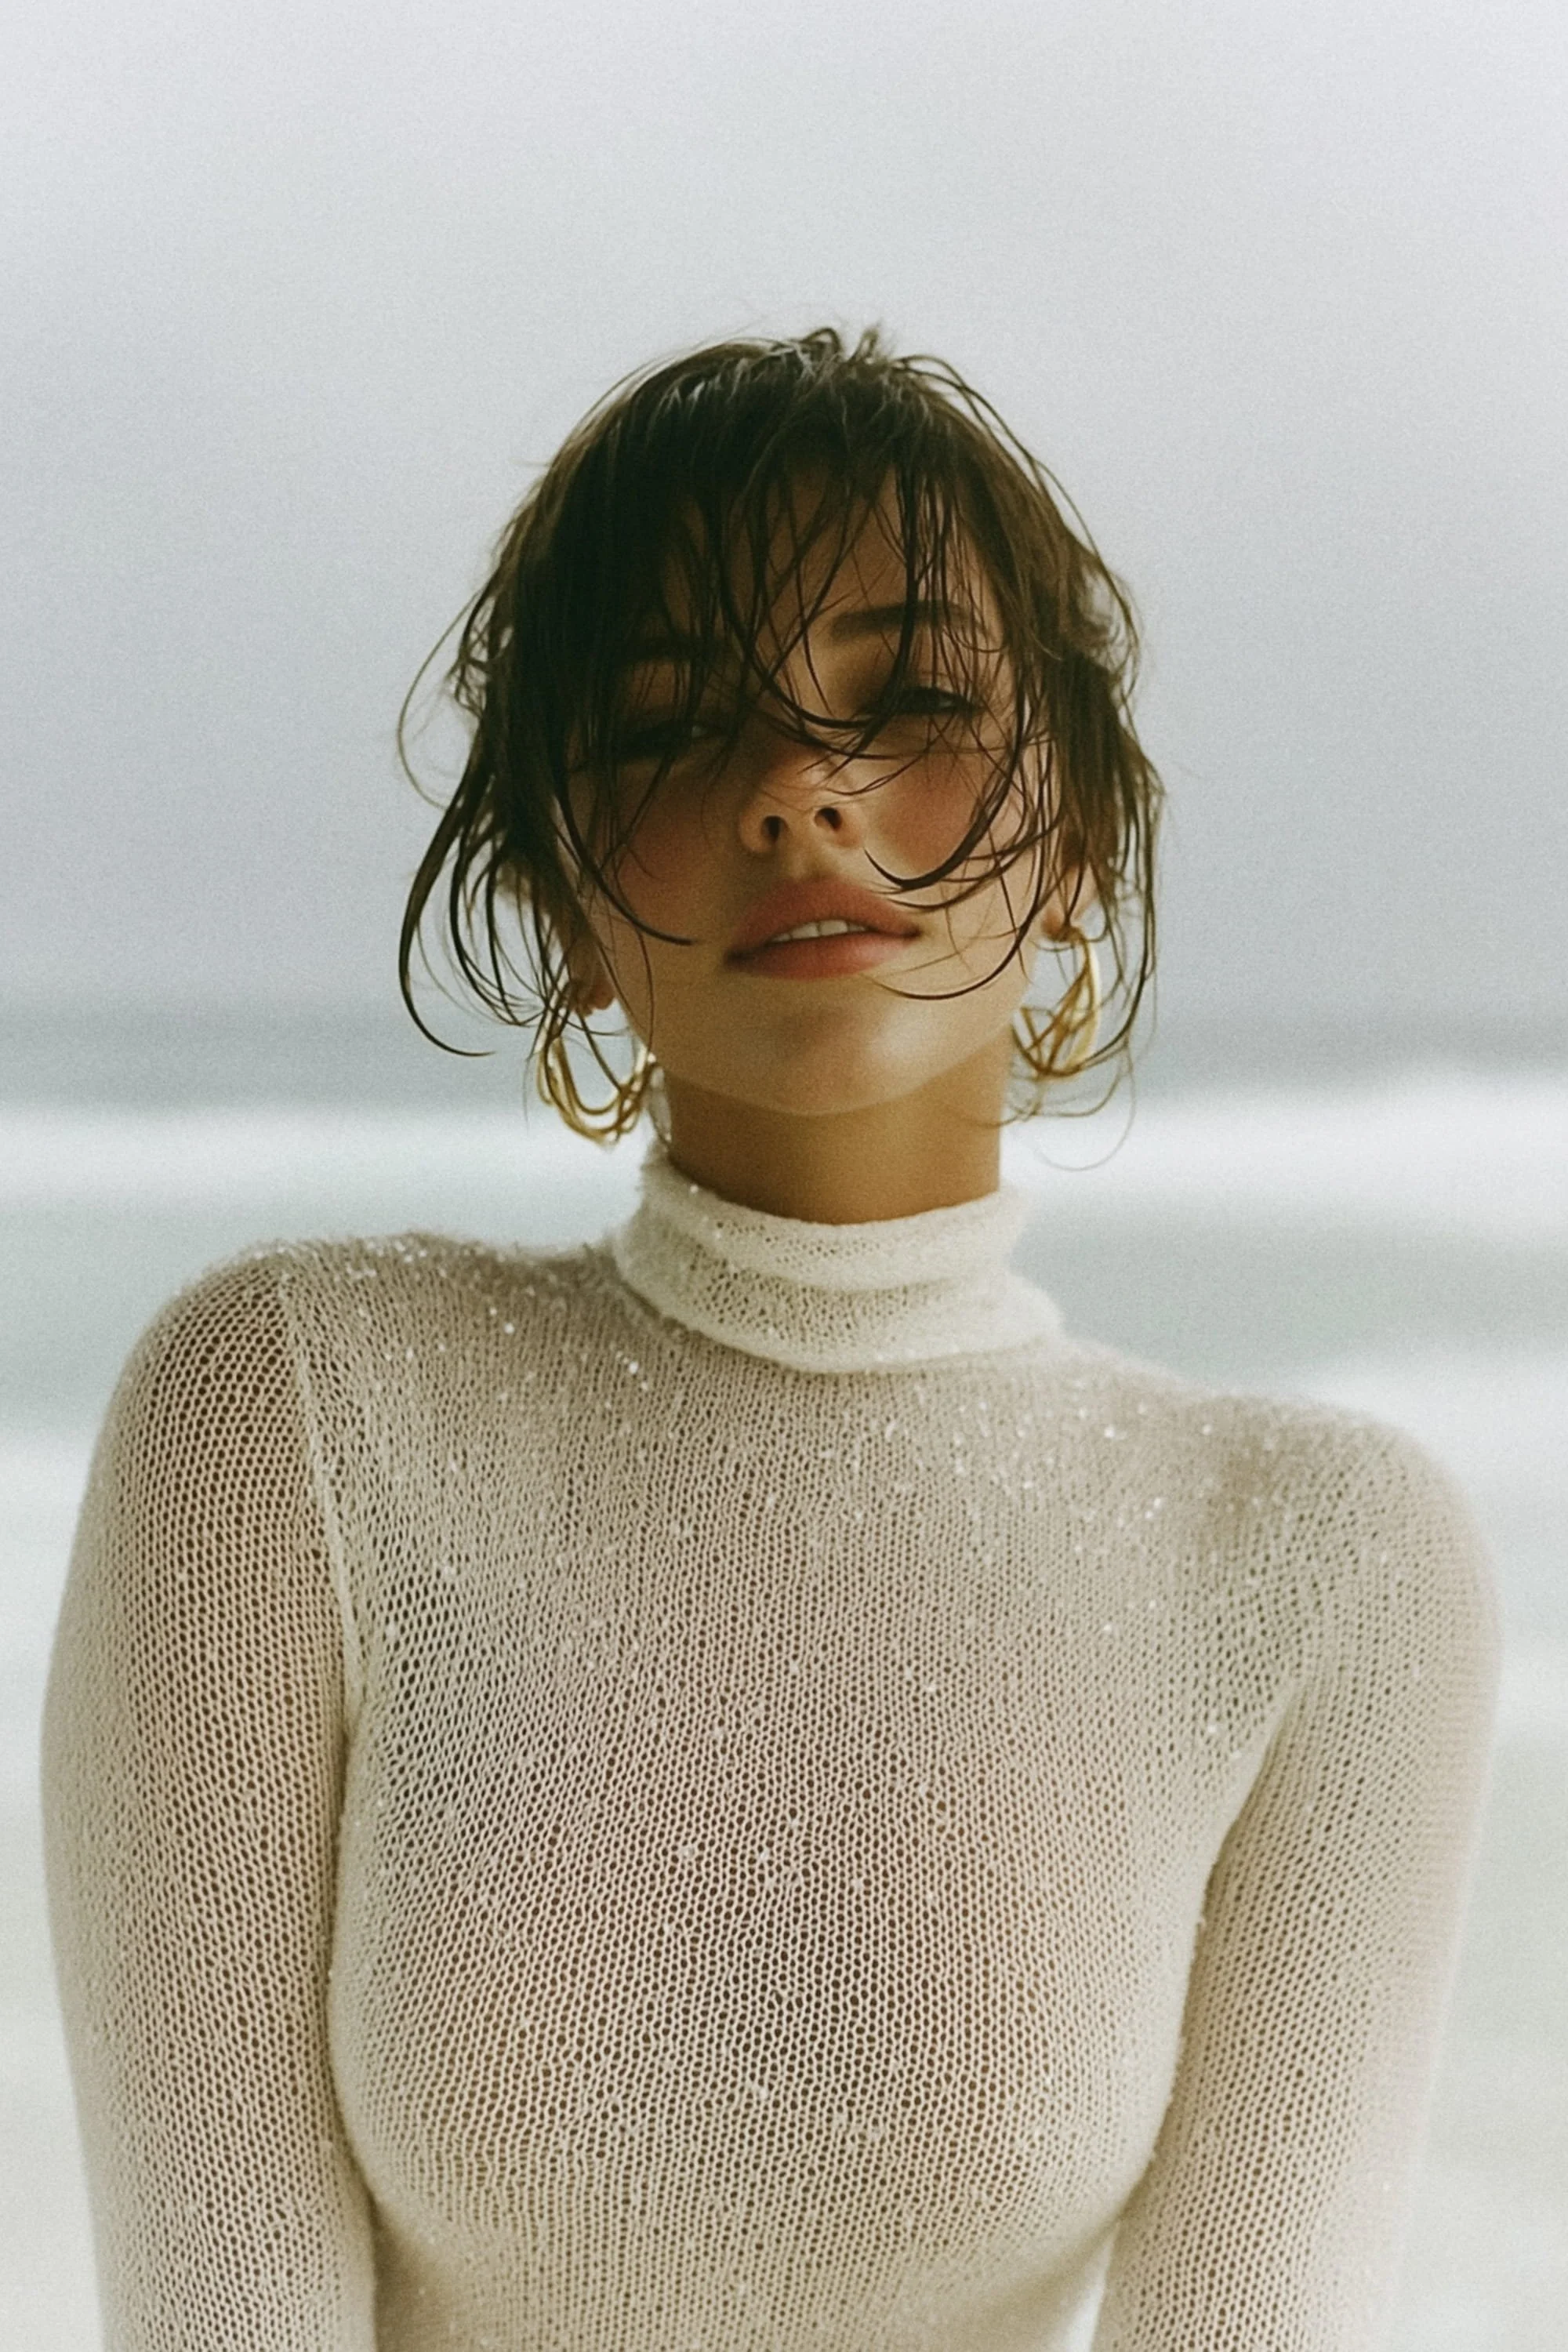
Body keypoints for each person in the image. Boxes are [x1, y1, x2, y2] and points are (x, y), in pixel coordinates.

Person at [42, 327, 1500, 2351]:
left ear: (1076, 830)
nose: (799, 793)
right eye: (667, 725)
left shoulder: (1324, 1562)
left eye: (907, 702)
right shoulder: (284, 1419)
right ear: (560, 890)